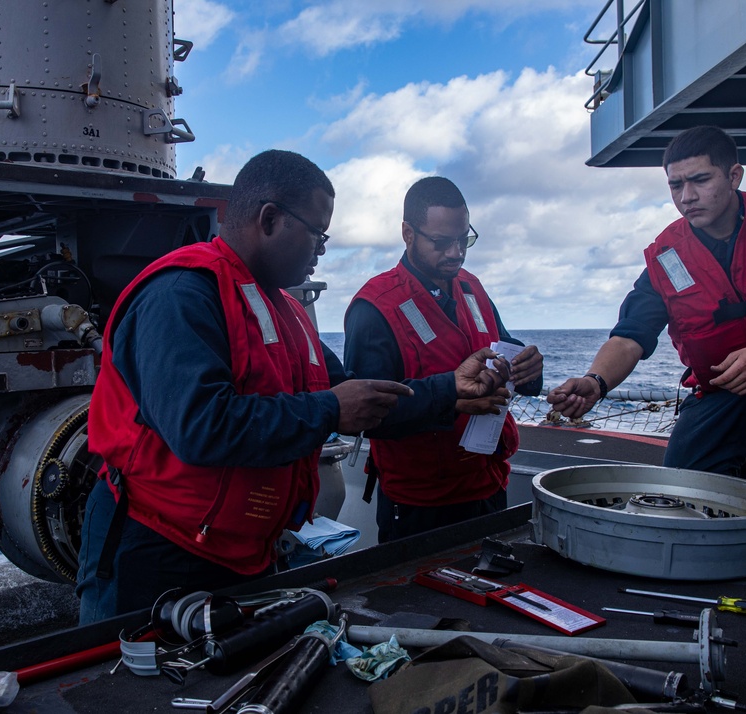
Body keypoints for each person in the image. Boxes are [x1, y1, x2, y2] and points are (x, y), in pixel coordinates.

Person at [76, 151, 509, 623]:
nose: (321, 251)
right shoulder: (181, 293)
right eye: (318, 235)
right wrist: (327, 410)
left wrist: (450, 388)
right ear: (269, 219)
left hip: (243, 553)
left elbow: (356, 395)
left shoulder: (288, 310)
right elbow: (200, 427)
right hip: (156, 554)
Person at [548, 125, 746, 508]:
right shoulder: (667, 255)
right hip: (721, 389)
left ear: (734, 176)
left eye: (699, 180)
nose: (687, 196)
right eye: (675, 185)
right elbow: (630, 336)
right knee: (681, 498)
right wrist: (596, 382)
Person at [344, 176, 544, 542]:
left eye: (463, 239)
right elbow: (368, 416)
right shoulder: (374, 307)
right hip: (421, 505)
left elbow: (503, 347)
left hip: (488, 486)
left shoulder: (472, 287)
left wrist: (530, 371)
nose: (455, 252)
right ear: (407, 233)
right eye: (441, 242)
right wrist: (453, 398)